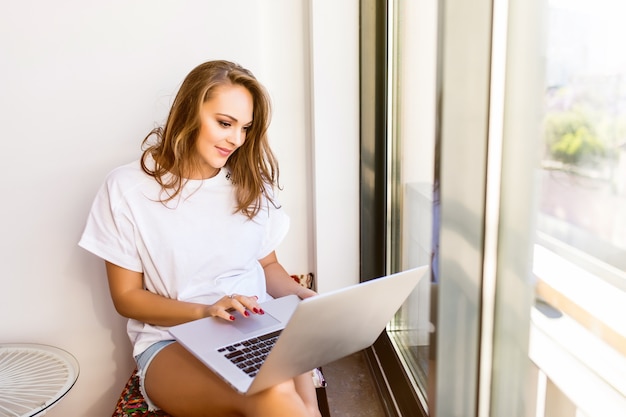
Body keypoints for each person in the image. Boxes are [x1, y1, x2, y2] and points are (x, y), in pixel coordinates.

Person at [79, 60, 321, 417]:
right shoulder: (126, 189)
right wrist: (206, 311)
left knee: (289, 381)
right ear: (189, 112)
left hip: (258, 329)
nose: (236, 139)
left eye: (245, 128)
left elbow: (267, 265)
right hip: (171, 342)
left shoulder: (250, 183)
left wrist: (304, 298)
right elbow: (127, 298)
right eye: (224, 123)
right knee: (273, 390)